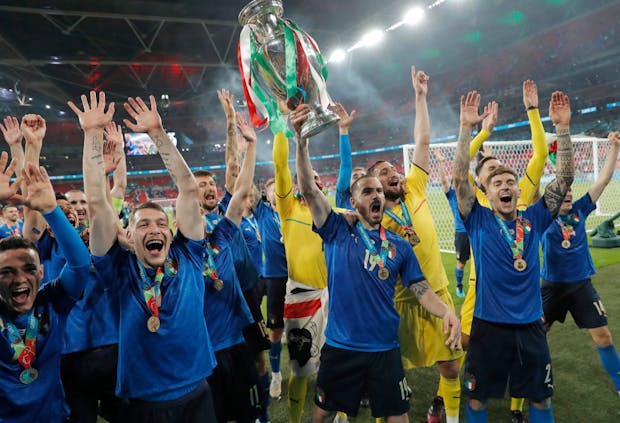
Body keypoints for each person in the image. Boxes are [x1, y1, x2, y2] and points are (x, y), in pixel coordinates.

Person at [291, 104, 461, 423]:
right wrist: (301, 143)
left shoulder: (399, 246)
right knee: (323, 416)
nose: (377, 195)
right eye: (368, 190)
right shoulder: (337, 229)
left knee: (398, 418)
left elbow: (421, 289)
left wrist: (446, 312)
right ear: (353, 201)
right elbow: (310, 192)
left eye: (380, 191)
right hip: (342, 346)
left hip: (384, 348)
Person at [73, 91, 217, 422]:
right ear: (129, 234)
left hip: (197, 389)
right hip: (144, 402)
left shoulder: (189, 255)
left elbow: (188, 189)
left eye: (160, 224)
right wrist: (92, 133)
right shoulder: (117, 269)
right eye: (143, 225)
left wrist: (156, 132)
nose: (154, 229)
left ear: (171, 231)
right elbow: (97, 204)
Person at [453, 90, 574, 423]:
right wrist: (466, 129)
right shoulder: (477, 218)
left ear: (519, 191)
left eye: (510, 182)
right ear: (487, 193)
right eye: (497, 183)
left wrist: (562, 129)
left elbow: (564, 179)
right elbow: (459, 177)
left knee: (541, 400)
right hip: (487, 326)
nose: (505, 186)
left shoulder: (534, 217)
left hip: (530, 326)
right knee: (477, 401)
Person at [368, 66, 463, 423]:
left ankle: (447, 414)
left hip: (436, 293)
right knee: (388, 377)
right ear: (374, 188)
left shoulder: (417, 188)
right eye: (384, 172)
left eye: (393, 168)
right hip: (398, 304)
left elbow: (422, 141)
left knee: (451, 367)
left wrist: (420, 97)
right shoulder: (372, 218)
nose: (393, 172)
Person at [19, 113, 121, 423]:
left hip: (111, 345)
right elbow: (33, 209)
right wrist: (32, 146)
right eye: (63, 209)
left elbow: (104, 203)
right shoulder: (44, 251)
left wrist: (103, 172)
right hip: (66, 354)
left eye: (78, 206)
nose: (73, 211)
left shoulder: (101, 246)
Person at [0, 156, 91, 423]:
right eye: (7, 272)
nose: (20, 279)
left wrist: (52, 211)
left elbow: (80, 265)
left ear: (41, 273)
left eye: (29, 269)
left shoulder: (52, 302)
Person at [541, 131, 620, 399]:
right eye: (562, 192)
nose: (568, 194)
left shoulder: (581, 209)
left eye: (570, 191)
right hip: (551, 288)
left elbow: (603, 180)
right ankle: (526, 381)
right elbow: (532, 189)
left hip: (580, 286)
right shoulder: (543, 216)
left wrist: (614, 147)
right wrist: (542, 151)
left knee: (604, 336)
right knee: (535, 336)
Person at [202, 111, 260, 423]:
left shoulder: (225, 216)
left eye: (211, 183)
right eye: (201, 185)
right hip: (212, 328)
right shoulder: (185, 238)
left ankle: (261, 405)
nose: (209, 188)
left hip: (244, 297)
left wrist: (243, 138)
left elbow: (235, 175)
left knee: (256, 362)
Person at [254, 177, 288, 399]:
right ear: (266, 195)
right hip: (275, 278)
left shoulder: (295, 211)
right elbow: (246, 188)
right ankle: (276, 374)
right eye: (272, 190)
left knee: (305, 325)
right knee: (275, 329)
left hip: (298, 276)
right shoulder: (263, 213)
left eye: (280, 189)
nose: (276, 193)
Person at [434, 149, 468, 298]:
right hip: (462, 233)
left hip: (476, 229)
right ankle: (459, 286)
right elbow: (443, 181)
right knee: (461, 263)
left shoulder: (471, 193)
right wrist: (441, 163)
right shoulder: (452, 195)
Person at [333, 102, 366, 210]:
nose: (359, 178)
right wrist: (343, 129)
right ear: (349, 184)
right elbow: (346, 162)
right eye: (355, 176)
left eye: (363, 176)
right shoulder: (344, 197)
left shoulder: (376, 201)